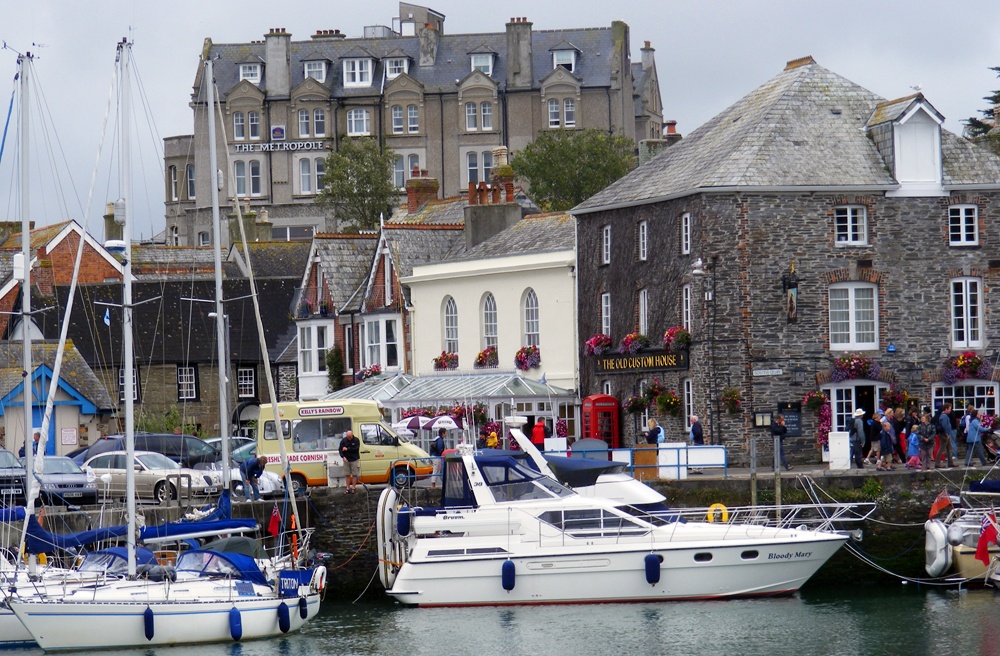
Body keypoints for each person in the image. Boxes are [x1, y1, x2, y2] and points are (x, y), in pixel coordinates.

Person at [339, 430, 361, 494]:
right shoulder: (343, 441)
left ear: (352, 435)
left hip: (354, 459)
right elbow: (340, 449)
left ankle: (353, 487)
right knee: (347, 475)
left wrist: (347, 449)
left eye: (350, 437)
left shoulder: (356, 440)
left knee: (354, 474)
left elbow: (356, 449)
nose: (349, 438)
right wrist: (343, 457)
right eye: (348, 437)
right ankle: (348, 488)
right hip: (346, 460)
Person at [937, 404, 956, 469]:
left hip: (946, 434)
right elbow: (944, 425)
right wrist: (946, 433)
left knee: (949, 448)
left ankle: (950, 463)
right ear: (946, 409)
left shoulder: (944, 416)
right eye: (949, 409)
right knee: (941, 449)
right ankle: (937, 463)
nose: (950, 410)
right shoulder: (944, 416)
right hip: (944, 435)